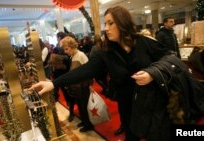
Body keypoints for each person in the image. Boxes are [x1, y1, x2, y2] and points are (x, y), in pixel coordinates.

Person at [29, 6, 174, 141]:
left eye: (111, 23)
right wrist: (54, 83)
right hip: (127, 105)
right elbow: (85, 70)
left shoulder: (144, 42)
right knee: (132, 136)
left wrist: (152, 73)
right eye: (105, 24)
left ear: (122, 22)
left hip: (153, 101)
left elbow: (170, 58)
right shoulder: (105, 51)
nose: (106, 28)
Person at [60, 36, 94, 132]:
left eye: (66, 48)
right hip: (78, 87)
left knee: (84, 107)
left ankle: (89, 125)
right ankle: (84, 121)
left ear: (72, 46)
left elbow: (90, 70)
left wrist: (91, 85)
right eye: (64, 49)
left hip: (84, 86)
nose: (65, 51)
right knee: (80, 105)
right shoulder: (74, 56)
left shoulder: (81, 55)